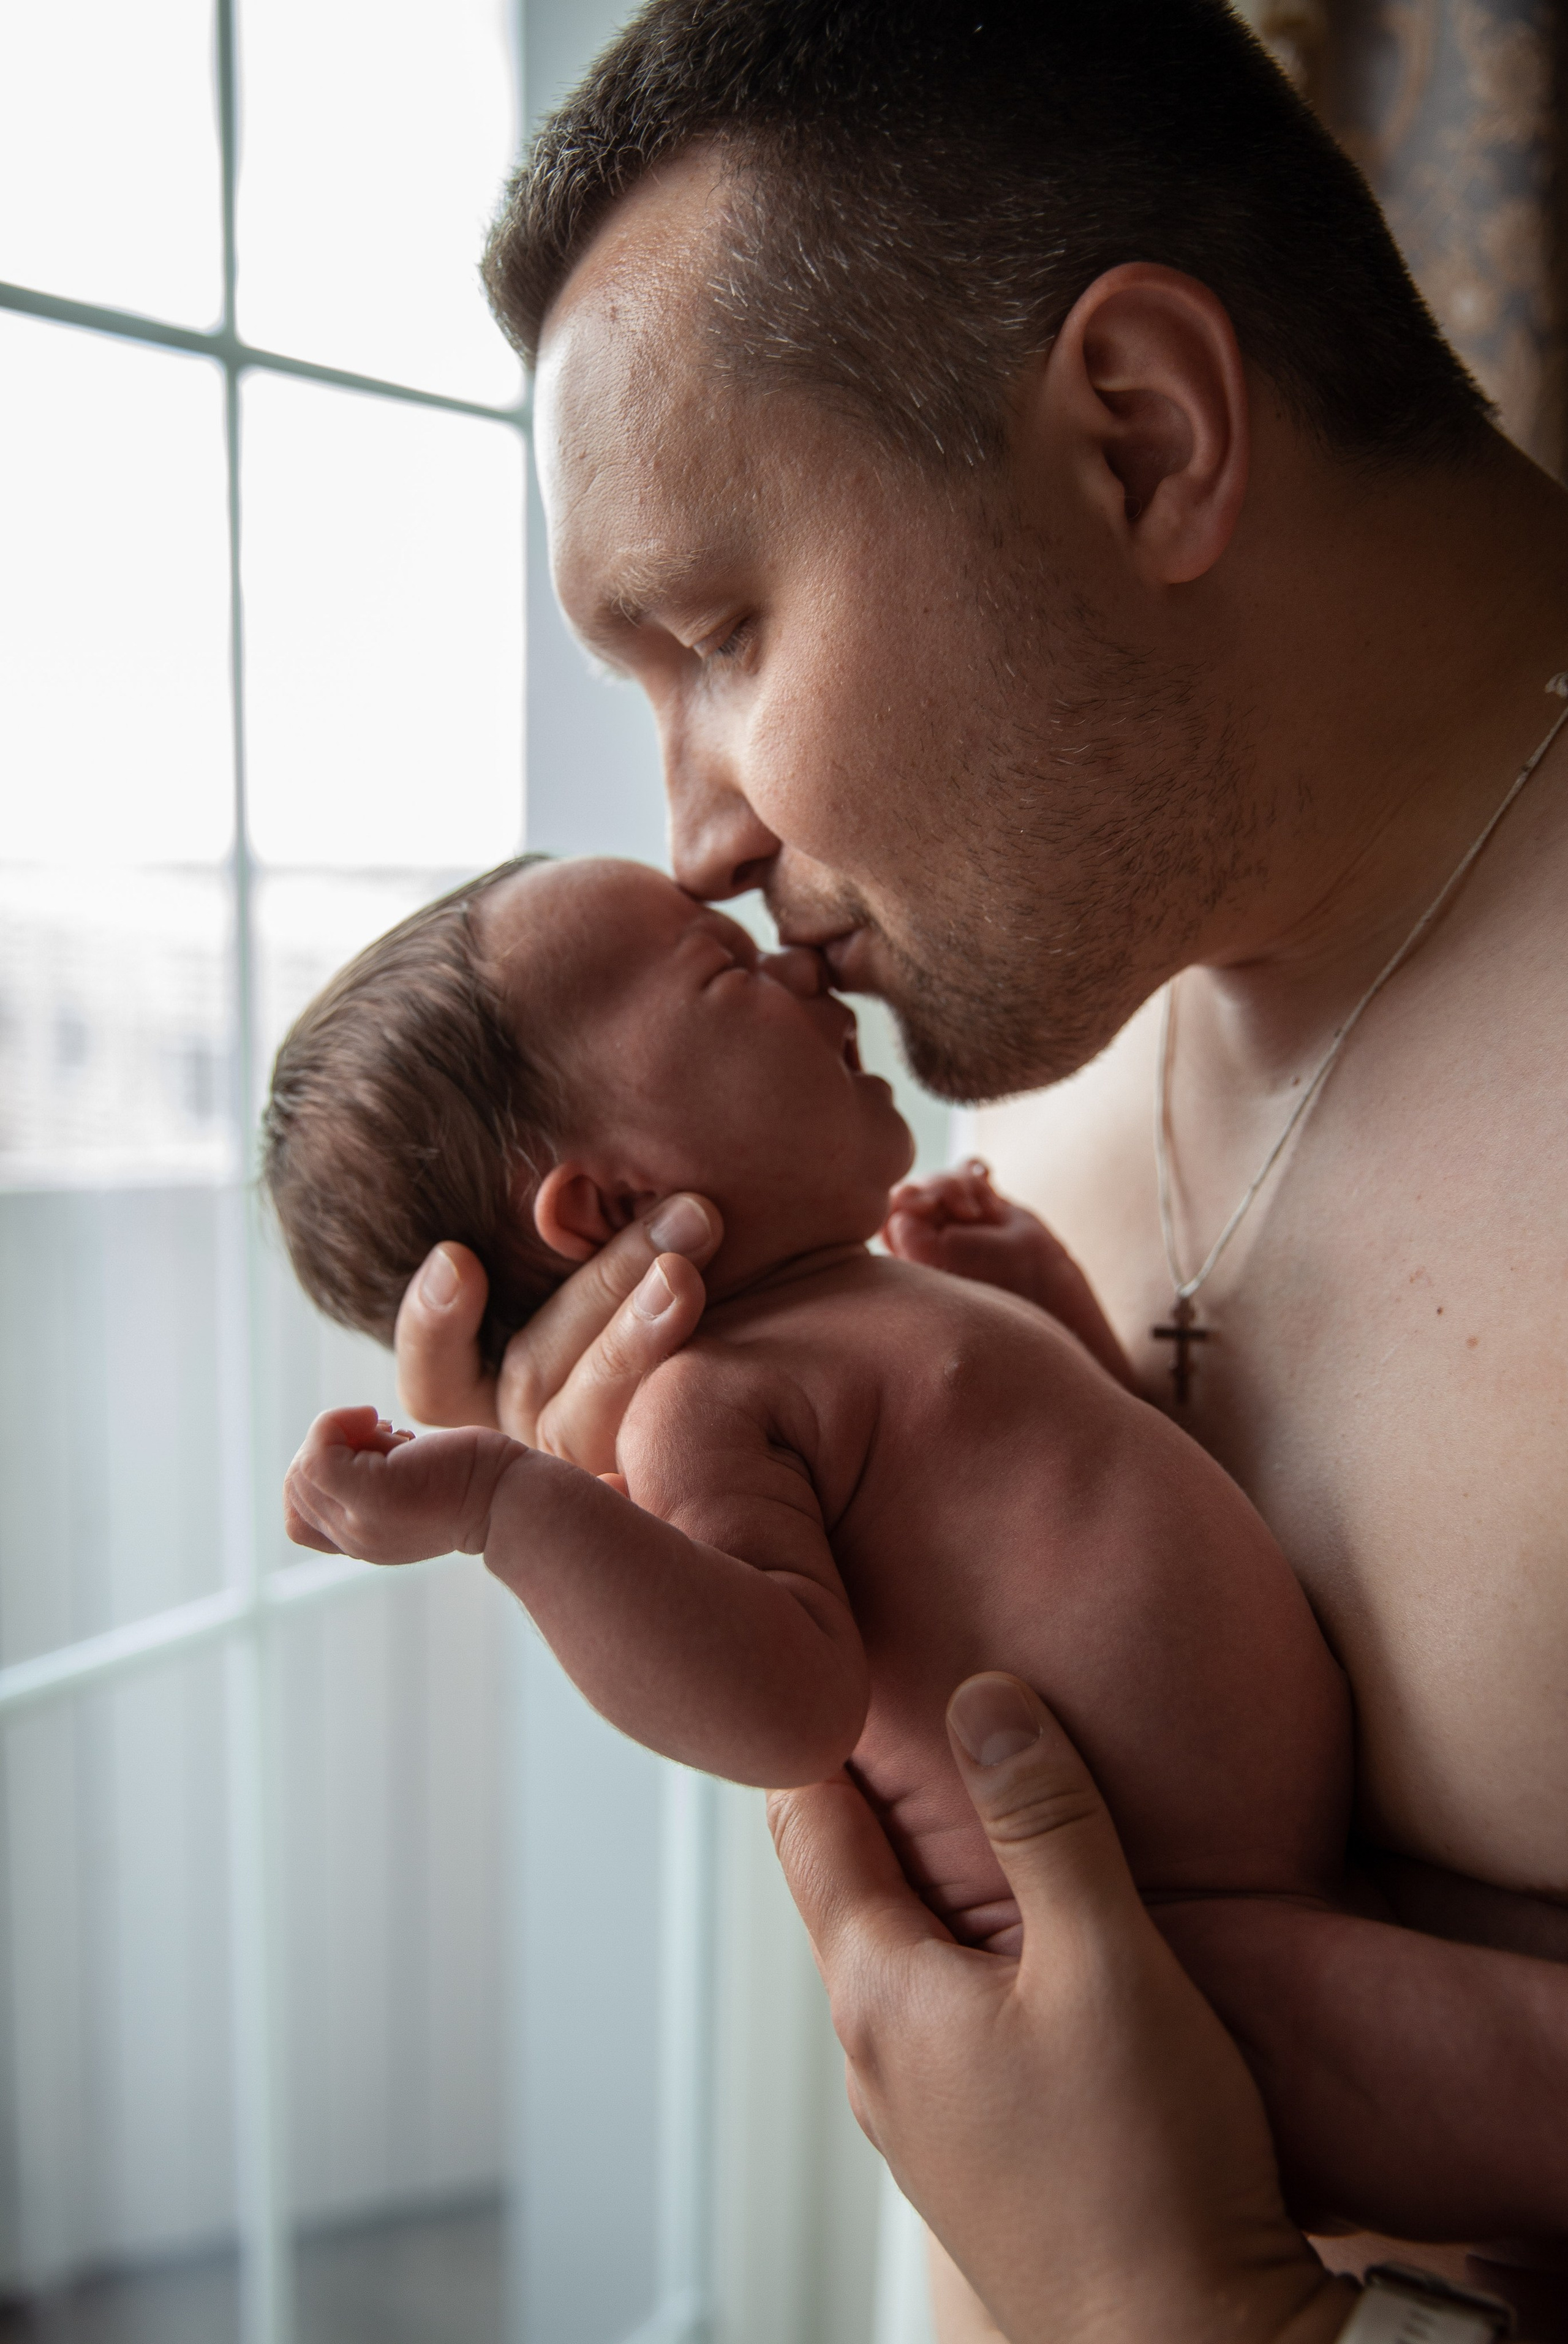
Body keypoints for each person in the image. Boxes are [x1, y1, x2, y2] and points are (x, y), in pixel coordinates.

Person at [385, 0, 1568, 2328]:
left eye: (719, 634)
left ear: (1137, 441)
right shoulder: (979, 1068)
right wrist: (637, 1537)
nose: (697, 838)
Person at [272, 851, 1550, 2244]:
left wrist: (1049, 1304)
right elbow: (783, 1705)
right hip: (1166, 1969)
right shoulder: (711, 1402)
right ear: (604, 1202)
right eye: (721, 970)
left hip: (1291, 1876)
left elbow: (1128, 1494)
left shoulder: (876, 1296)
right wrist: (504, 1509)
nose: (796, 964)